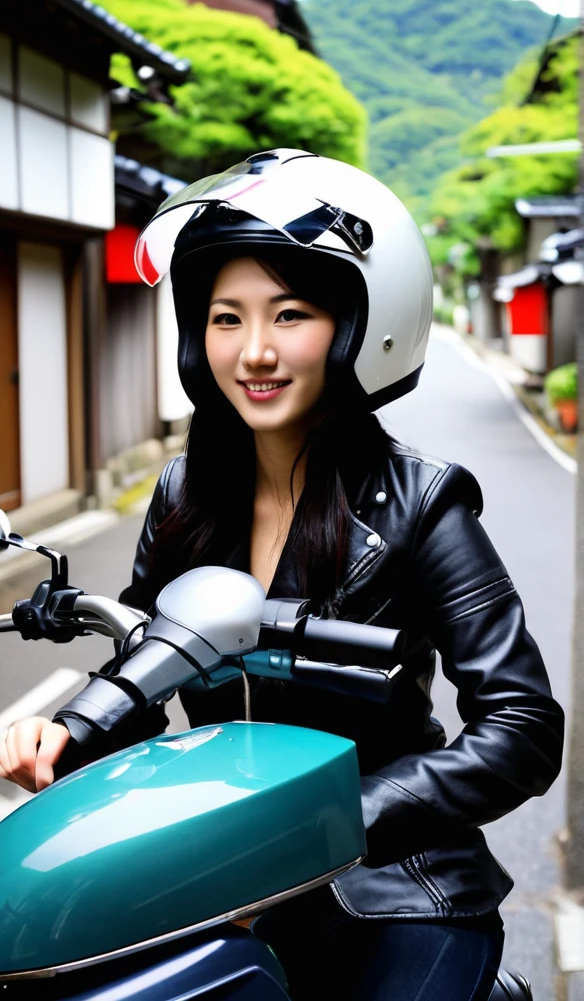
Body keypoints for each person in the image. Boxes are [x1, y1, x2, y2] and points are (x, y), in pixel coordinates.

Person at [0, 149, 564, 1001]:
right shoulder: (183, 494)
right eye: (226, 319)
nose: (254, 351)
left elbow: (522, 727)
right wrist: (71, 733)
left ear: (353, 326)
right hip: (219, 882)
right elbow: (154, 663)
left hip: (396, 889)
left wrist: (340, 815)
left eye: (289, 314)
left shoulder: (422, 502)